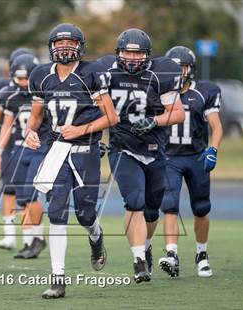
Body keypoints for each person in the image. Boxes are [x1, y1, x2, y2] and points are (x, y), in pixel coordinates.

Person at [25, 23, 117, 298]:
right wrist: (30, 131)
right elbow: (37, 115)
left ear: (80, 46)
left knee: (85, 214)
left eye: (71, 42)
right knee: (56, 212)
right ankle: (58, 278)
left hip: (85, 150)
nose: (65, 47)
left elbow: (111, 117)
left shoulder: (92, 74)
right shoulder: (41, 76)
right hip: (56, 151)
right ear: (51, 47)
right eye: (59, 42)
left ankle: (96, 236)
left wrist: (80, 129)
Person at [104, 28, 184, 283]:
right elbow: (92, 108)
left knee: (152, 210)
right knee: (134, 200)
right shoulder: (106, 73)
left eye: (137, 54)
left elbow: (177, 112)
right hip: (122, 147)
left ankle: (146, 245)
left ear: (147, 56)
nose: (131, 58)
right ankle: (138, 259)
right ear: (118, 53)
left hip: (153, 149)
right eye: (127, 52)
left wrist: (154, 121)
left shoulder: (160, 74)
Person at [157, 46, 222, 278]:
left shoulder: (205, 92)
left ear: (190, 69)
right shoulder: (158, 92)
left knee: (201, 207)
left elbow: (216, 126)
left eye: (181, 67)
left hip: (196, 156)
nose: (176, 72)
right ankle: (172, 254)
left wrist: (212, 149)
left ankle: (201, 254)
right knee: (169, 204)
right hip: (170, 157)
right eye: (172, 68)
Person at [0, 54, 49, 259]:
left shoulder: (46, 92)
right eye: (21, 79)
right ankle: (31, 240)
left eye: (28, 78)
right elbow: (7, 125)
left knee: (31, 194)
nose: (25, 83)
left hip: (40, 147)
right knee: (23, 196)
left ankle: (39, 237)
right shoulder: (9, 95)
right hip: (20, 148)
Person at [0, 48, 35, 250]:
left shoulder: (41, 89)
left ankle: (33, 236)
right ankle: (9, 235)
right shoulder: (5, 90)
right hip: (11, 145)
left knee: (29, 194)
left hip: (33, 146)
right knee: (9, 189)